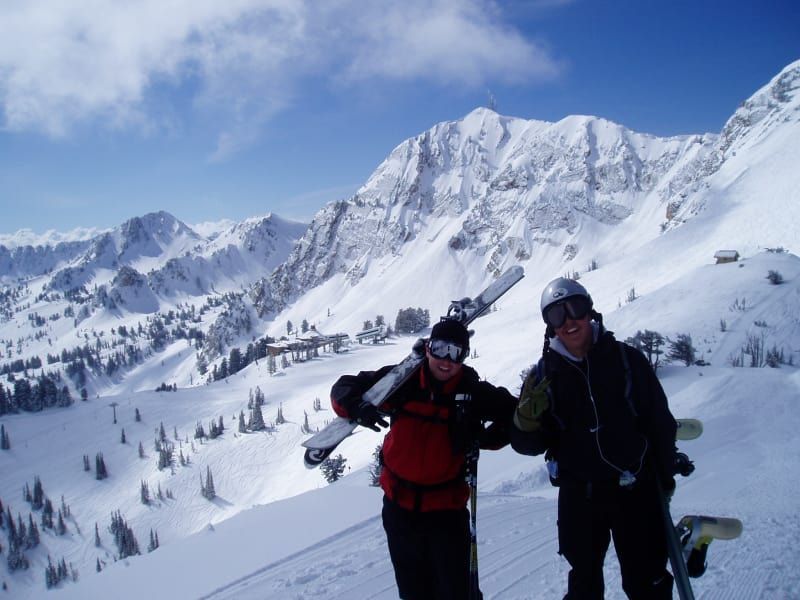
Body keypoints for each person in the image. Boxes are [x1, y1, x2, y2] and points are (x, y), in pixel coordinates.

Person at [510, 277, 678, 599]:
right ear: (549, 327)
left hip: (634, 489)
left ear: (590, 311)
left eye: (575, 308)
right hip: (580, 496)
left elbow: (659, 422)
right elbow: (528, 445)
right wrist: (526, 421)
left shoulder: (627, 361)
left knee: (647, 580)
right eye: (556, 315)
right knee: (584, 582)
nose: (568, 321)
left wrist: (665, 476)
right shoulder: (544, 376)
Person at [331, 318, 516, 600]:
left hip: (446, 514)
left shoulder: (471, 393)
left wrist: (484, 438)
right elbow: (344, 387)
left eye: (456, 353)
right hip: (399, 510)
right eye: (440, 349)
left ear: (464, 357)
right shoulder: (402, 382)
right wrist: (358, 408)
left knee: (458, 591)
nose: (446, 360)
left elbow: (516, 416)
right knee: (413, 590)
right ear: (428, 348)